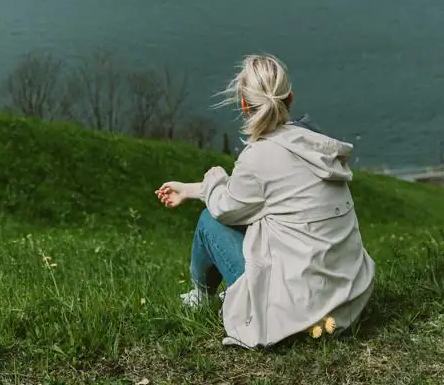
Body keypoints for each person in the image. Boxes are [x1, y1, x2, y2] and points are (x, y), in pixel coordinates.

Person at [155, 54, 375, 349]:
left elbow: (225, 208)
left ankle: (200, 296)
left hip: (302, 320)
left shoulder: (258, 158)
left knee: (210, 220)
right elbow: (255, 202)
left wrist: (206, 185)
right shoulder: (317, 146)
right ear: (291, 98)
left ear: (244, 105)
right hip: (348, 306)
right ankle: (209, 296)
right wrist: (191, 189)